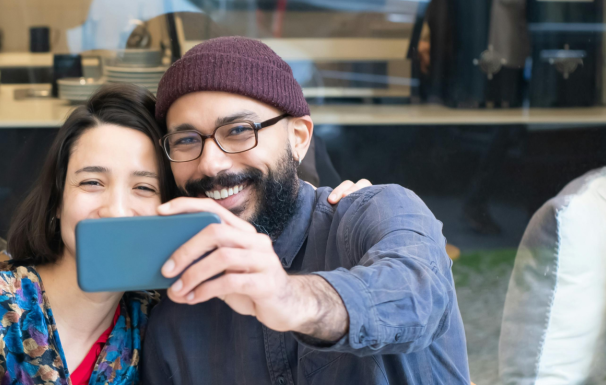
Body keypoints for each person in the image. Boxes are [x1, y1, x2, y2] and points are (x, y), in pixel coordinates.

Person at [0, 84, 366, 385]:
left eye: (144, 187)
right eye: (91, 182)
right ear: (57, 201)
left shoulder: (158, 321)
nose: (116, 208)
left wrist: (330, 208)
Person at [140, 36, 470, 384]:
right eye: (187, 139)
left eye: (238, 130)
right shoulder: (175, 320)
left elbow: (419, 294)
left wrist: (290, 298)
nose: (211, 164)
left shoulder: (373, 213)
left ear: (298, 137)